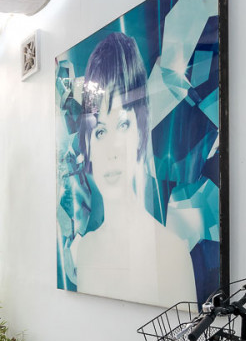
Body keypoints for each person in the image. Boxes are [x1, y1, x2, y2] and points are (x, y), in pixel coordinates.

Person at [73, 32, 195, 307]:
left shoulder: (172, 254)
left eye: (124, 124)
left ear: (141, 132)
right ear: (88, 143)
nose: (113, 150)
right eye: (101, 131)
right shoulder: (87, 251)